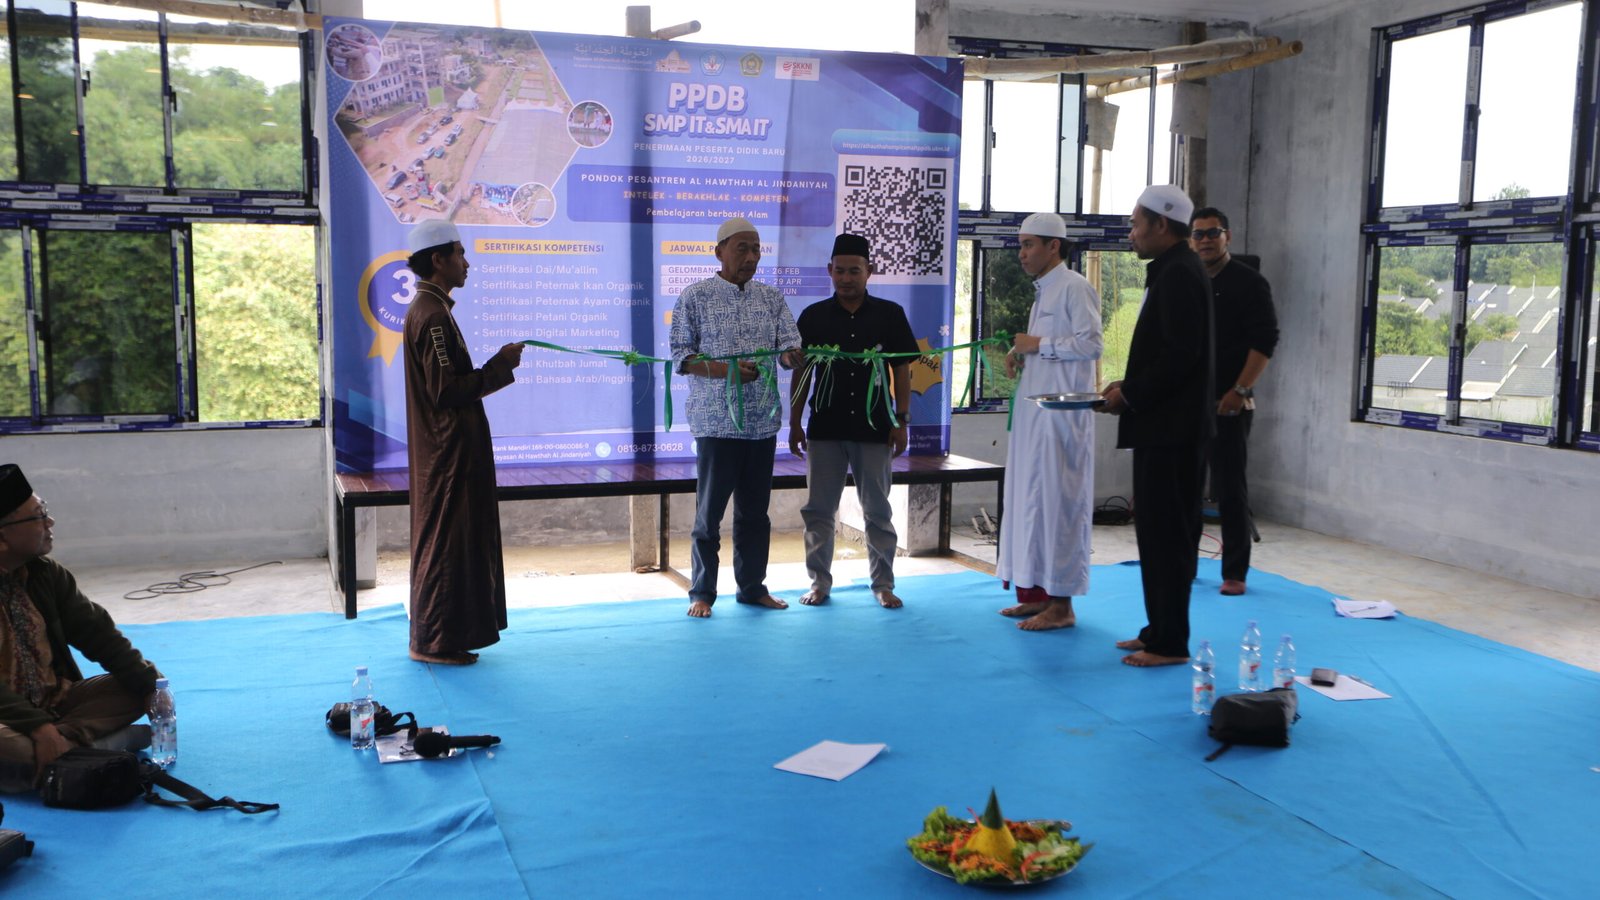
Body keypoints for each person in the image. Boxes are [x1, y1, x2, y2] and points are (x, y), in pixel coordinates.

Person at [1098, 185, 1214, 667]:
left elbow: (1182, 356)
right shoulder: (1170, 269)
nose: (1131, 233)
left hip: (1173, 431)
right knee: (1154, 534)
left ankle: (1171, 643)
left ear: (1161, 225)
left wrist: (1132, 395)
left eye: (1135, 224)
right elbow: (1164, 352)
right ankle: (1158, 629)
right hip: (1163, 427)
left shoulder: (1180, 273)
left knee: (1167, 536)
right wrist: (1129, 384)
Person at [402, 220, 525, 665]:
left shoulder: (433, 308)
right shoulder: (432, 315)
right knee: (447, 543)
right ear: (439, 260)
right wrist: (499, 365)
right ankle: (433, 641)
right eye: (460, 253)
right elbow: (446, 391)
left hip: (449, 449)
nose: (467, 263)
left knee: (455, 541)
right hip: (447, 452)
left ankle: (446, 636)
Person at [670, 217, 803, 618]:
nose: (751, 257)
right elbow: (682, 357)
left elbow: (788, 347)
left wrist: (792, 356)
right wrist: (724, 370)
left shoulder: (771, 298)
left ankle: (752, 588)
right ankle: (701, 593)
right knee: (708, 516)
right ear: (719, 252)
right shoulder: (695, 296)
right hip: (716, 424)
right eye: (742, 248)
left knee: (755, 515)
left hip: (762, 423)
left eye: (756, 249)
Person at [0, 464, 160, 785]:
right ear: (2, 537)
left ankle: (55, 753)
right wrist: (37, 727)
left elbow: (98, 634)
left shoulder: (47, 574)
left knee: (143, 686)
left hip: (56, 706)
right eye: (38, 516)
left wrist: (150, 686)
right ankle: (107, 745)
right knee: (13, 747)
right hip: (7, 719)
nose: (50, 522)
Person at [789, 234, 918, 609]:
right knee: (818, 510)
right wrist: (795, 422)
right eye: (840, 271)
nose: (846, 278)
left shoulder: (890, 314)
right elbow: (802, 373)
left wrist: (901, 420)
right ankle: (819, 583)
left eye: (854, 271)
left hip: (875, 427)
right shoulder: (813, 316)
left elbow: (902, 369)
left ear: (869, 271)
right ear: (829, 270)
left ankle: (883, 584)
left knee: (877, 511)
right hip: (825, 428)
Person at [995, 213, 1103, 631]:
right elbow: (1045, 348)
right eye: (1021, 245)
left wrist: (1039, 345)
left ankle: (1062, 605)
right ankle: (1037, 594)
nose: (1022, 254)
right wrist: (1021, 352)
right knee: (1030, 502)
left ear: (1054, 246)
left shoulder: (1074, 286)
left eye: (1029, 245)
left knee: (1059, 505)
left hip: (1062, 421)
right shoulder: (1044, 291)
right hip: (1035, 419)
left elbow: (1091, 345)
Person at [1190, 207, 1279, 596]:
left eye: (1213, 233)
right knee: (1185, 488)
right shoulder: (1186, 280)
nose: (1206, 240)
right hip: (1188, 403)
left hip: (1229, 402)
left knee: (1229, 488)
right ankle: (1184, 564)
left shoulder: (1249, 282)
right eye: (1198, 234)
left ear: (1227, 236)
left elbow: (1265, 341)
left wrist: (1240, 390)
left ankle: (1235, 572)